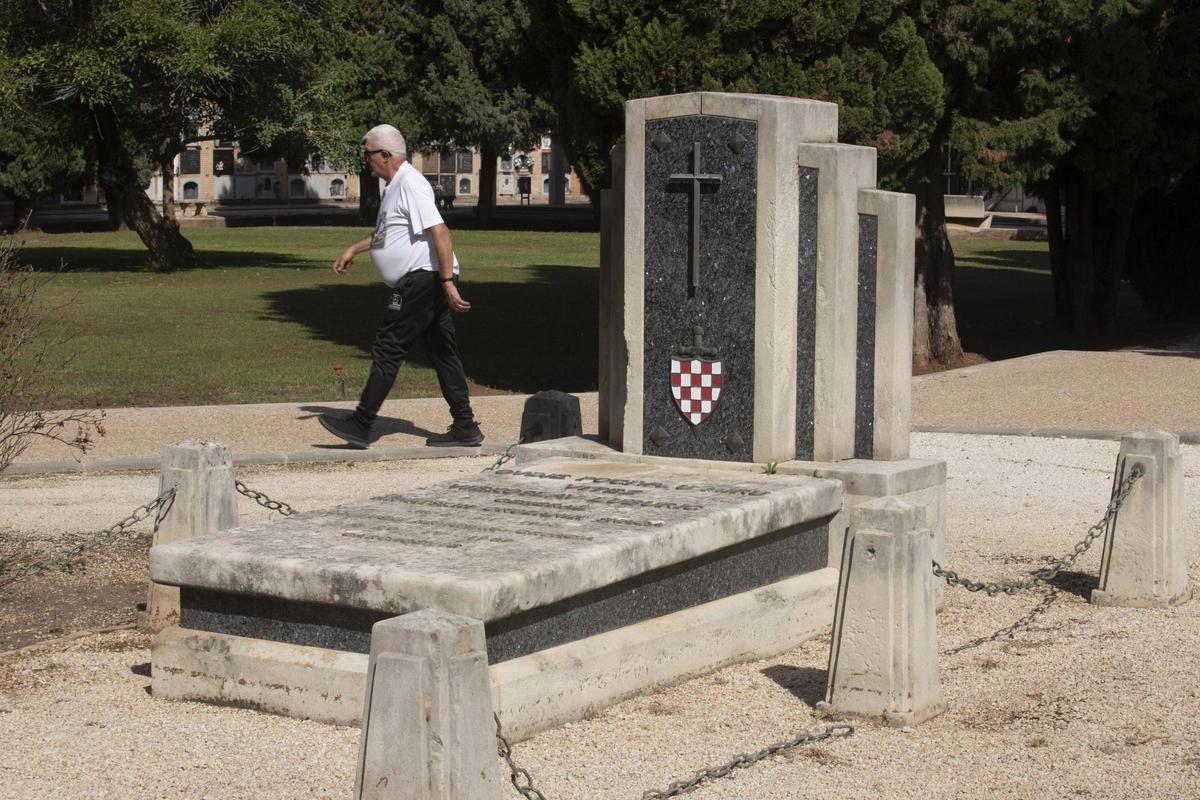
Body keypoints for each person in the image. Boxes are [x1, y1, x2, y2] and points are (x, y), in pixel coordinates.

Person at [318, 124, 483, 449]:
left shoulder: (410, 183)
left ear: (385, 155)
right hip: (426, 279)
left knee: (388, 345)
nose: (365, 161)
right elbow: (387, 235)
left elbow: (440, 231)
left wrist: (446, 282)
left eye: (368, 154)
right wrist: (353, 249)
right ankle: (465, 426)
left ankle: (361, 424)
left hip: (423, 279)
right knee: (442, 351)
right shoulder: (394, 187)